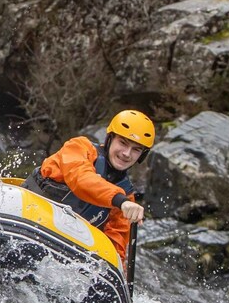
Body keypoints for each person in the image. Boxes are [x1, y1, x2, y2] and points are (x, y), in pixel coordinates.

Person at [21, 110, 154, 264]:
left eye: (136, 149)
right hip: (30, 218)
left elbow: (116, 247)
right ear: (110, 139)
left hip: (56, 248)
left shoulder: (127, 195)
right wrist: (120, 200)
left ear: (142, 155)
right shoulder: (79, 147)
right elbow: (81, 179)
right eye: (123, 143)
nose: (126, 153)